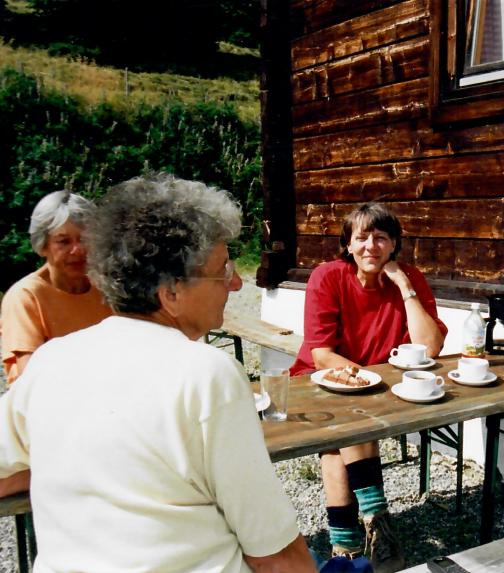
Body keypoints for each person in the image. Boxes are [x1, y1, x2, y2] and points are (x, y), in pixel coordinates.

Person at [0, 174, 316, 573]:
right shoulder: (206, 372)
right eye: (223, 268)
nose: (235, 283)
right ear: (170, 292)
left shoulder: (50, 361)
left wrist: (73, 467)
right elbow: (275, 553)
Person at [291, 202, 447, 572]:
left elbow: (432, 347)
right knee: (352, 419)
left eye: (381, 238)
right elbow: (322, 353)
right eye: (361, 238)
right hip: (321, 380)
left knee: (336, 447)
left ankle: (344, 545)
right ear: (347, 245)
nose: (370, 247)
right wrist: (362, 377)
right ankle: (377, 520)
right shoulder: (327, 277)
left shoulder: (409, 277)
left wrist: (405, 286)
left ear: (394, 245)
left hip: (378, 386)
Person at [1, 190, 112, 385]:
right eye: (63, 241)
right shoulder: (26, 296)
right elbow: (29, 379)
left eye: (84, 239)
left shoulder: (106, 288)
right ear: (43, 245)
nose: (77, 250)